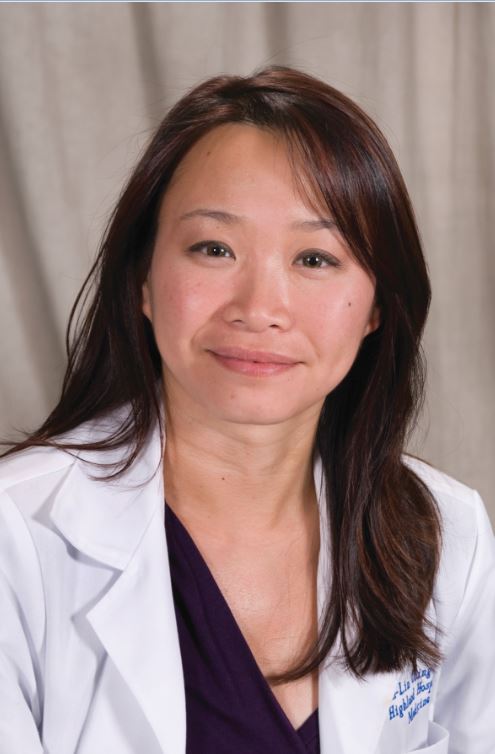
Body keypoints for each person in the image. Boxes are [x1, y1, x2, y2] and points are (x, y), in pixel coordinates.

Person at [0, 65, 493, 754]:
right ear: (143, 279)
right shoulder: (17, 535)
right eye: (213, 248)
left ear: (378, 306)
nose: (259, 309)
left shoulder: (447, 534)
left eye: (315, 259)